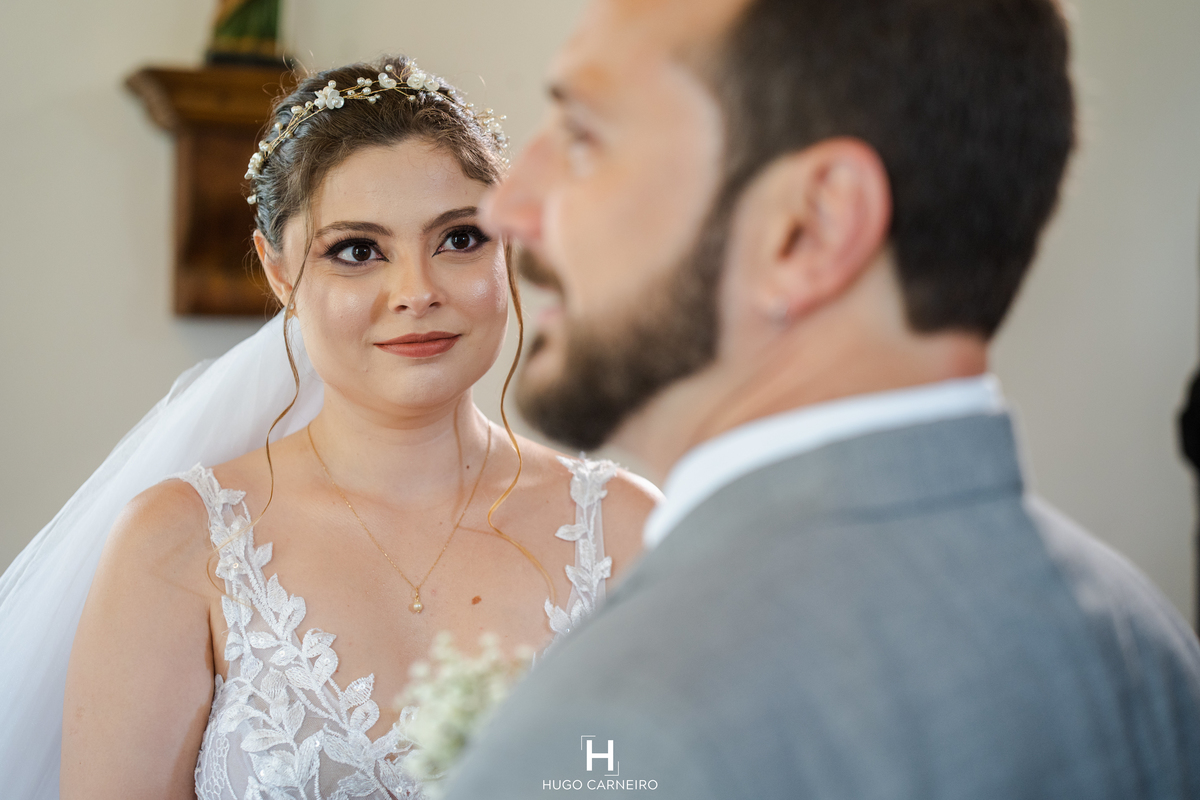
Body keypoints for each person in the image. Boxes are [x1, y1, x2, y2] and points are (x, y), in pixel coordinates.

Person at [442, 0, 1200, 797]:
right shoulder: (1150, 647)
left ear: (810, 228)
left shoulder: (608, 735)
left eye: (583, 138)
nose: (507, 209)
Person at [0, 55, 658, 800]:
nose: (416, 291)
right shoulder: (181, 546)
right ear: (279, 272)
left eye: (459, 238)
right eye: (357, 251)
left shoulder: (626, 532)